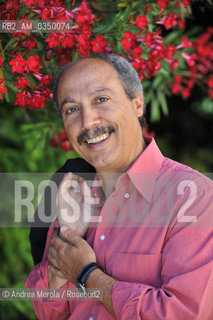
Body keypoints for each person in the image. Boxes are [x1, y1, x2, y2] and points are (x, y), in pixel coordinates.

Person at [25, 54, 213, 320]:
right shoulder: (73, 195)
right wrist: (69, 240)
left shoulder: (193, 198)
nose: (88, 121)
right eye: (71, 110)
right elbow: (48, 313)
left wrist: (87, 275)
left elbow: (181, 314)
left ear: (137, 104)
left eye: (101, 99)